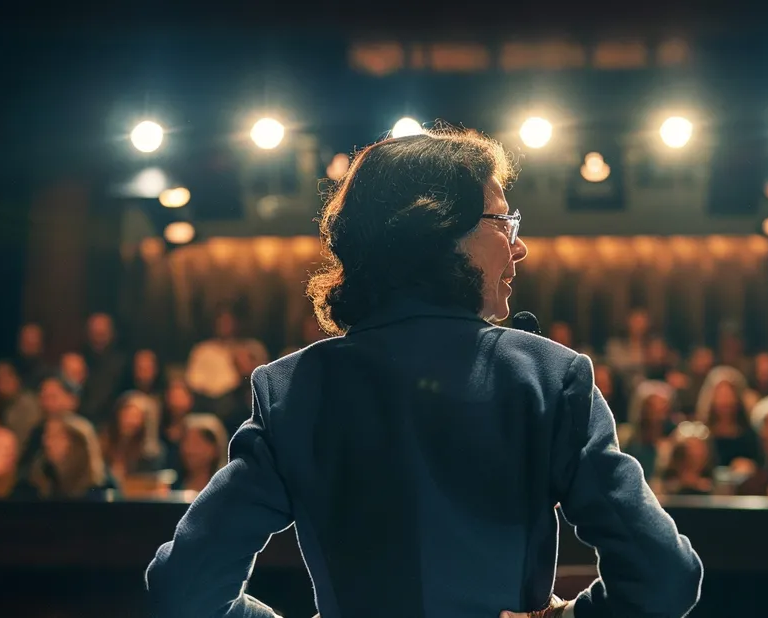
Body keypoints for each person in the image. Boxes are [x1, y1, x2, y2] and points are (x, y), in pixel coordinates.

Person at [146, 128, 703, 618]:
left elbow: (185, 590)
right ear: (438, 229)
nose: (520, 245)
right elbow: (664, 578)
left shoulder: (293, 389)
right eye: (503, 221)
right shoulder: (549, 377)